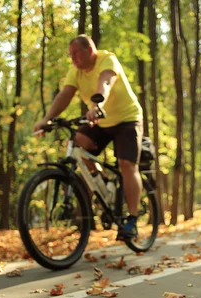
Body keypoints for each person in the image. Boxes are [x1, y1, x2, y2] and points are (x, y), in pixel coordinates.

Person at [33, 35, 143, 240]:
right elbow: (64, 95)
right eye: (70, 55)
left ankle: (133, 220)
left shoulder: (107, 60)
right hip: (100, 121)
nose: (73, 58)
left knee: (127, 164)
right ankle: (102, 181)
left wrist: (97, 106)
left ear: (89, 50)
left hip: (127, 119)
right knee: (76, 144)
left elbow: (106, 83)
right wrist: (47, 119)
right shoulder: (75, 72)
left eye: (76, 53)